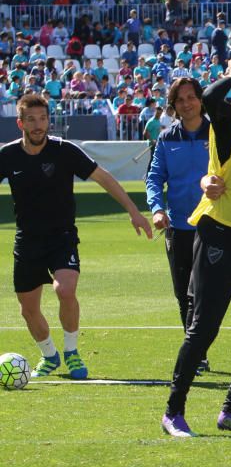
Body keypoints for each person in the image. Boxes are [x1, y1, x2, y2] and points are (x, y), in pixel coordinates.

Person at [161, 57, 231, 437]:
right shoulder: (229, 119)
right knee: (203, 329)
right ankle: (173, 412)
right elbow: (211, 97)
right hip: (219, 233)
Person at [1, 95, 152, 381]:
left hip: (62, 236)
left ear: (49, 120)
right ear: (21, 123)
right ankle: (49, 356)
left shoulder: (65, 151)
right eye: (31, 120)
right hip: (28, 241)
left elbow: (103, 177)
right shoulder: (7, 156)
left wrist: (134, 211)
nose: (38, 125)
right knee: (28, 310)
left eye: (42, 119)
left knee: (65, 290)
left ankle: (71, 352)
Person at [145, 77, 211, 373]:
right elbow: (155, 177)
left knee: (206, 292)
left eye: (191, 97)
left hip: (214, 225)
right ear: (173, 106)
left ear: (200, 99)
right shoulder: (167, 137)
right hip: (178, 228)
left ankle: (199, 349)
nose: (186, 104)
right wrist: (157, 208)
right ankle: (196, 351)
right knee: (183, 291)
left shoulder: (218, 132)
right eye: (180, 100)